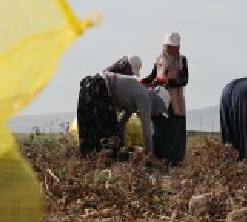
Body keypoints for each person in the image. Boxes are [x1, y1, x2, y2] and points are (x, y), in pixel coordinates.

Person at [76, 71, 156, 159]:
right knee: (110, 141)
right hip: (100, 89)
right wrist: (150, 155)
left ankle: (87, 163)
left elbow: (121, 123)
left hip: (87, 87)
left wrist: (123, 146)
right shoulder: (145, 98)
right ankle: (102, 163)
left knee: (87, 134)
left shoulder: (133, 93)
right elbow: (147, 132)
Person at [142, 32, 188, 164]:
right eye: (169, 46)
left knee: (174, 130)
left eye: (174, 46)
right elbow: (152, 76)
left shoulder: (182, 60)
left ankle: (174, 160)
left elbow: (184, 80)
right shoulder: (159, 60)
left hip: (175, 101)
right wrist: (145, 81)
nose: (171, 49)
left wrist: (169, 82)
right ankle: (158, 158)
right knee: (159, 129)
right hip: (160, 100)